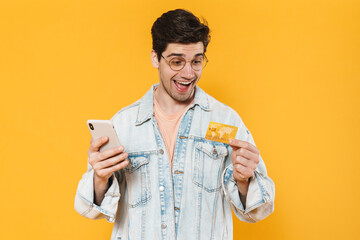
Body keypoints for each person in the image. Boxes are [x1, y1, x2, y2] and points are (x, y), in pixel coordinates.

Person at [75, 9, 275, 240]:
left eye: (197, 61)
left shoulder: (226, 121)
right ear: (155, 58)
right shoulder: (123, 124)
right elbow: (89, 209)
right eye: (177, 62)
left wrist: (245, 180)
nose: (188, 73)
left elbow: (258, 210)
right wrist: (100, 178)